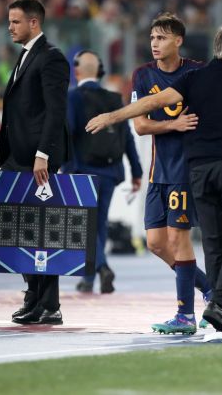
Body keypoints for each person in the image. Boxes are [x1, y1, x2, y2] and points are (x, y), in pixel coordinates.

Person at [86, 21, 222, 336]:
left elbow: (153, 103)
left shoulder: (194, 77)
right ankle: (219, 303)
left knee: (212, 243)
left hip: (197, 170)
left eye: (161, 37)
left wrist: (112, 116)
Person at [131, 13, 214, 334]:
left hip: (185, 170)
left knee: (179, 240)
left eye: (161, 38)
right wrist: (172, 124)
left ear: (178, 41)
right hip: (158, 172)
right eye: (152, 38)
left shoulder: (197, 72)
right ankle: (210, 290)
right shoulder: (142, 75)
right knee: (155, 243)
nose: (154, 44)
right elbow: (140, 126)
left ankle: (185, 315)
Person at [0, 0, 70, 325]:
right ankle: (34, 297)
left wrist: (44, 154)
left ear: (33, 23)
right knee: (21, 229)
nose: (10, 27)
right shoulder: (26, 56)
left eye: (15, 22)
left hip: (36, 160)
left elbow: (56, 111)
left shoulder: (51, 58)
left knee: (42, 229)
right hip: (18, 157)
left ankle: (49, 303)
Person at [63, 49, 143, 294]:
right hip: (110, 171)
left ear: (76, 72)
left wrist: (67, 168)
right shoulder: (114, 98)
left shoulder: (73, 97)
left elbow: (68, 132)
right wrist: (136, 171)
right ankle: (89, 278)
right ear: (99, 72)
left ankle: (101, 267)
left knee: (84, 226)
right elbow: (127, 136)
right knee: (98, 224)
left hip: (83, 171)